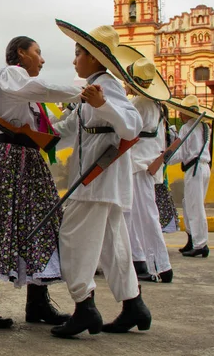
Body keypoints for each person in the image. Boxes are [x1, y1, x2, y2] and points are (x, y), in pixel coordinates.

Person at [0, 35, 81, 329]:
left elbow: (48, 137)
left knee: (40, 227)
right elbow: (41, 88)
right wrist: (79, 93)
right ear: (20, 53)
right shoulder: (11, 74)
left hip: (27, 160)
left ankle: (36, 303)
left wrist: (78, 114)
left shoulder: (29, 97)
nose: (43, 59)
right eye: (38, 52)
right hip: (10, 160)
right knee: (2, 226)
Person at [50, 21, 149, 338]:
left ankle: (84, 307)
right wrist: (36, 130)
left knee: (72, 239)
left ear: (94, 57)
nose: (74, 59)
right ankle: (134, 305)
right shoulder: (90, 90)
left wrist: (102, 104)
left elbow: (132, 127)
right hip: (101, 182)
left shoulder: (107, 86)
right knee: (113, 247)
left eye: (78, 53)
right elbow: (67, 132)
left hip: (97, 181)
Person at [118, 53, 173, 284]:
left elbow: (125, 129)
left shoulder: (140, 104)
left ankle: (161, 265)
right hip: (143, 165)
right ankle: (139, 259)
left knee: (146, 215)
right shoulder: (155, 105)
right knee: (133, 214)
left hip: (139, 165)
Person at [165, 95, 214, 258]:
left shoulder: (187, 128)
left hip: (194, 168)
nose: (180, 115)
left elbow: (181, 152)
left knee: (194, 206)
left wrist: (164, 159)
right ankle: (192, 239)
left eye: (182, 112)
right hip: (203, 167)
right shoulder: (204, 127)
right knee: (190, 204)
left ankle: (200, 243)